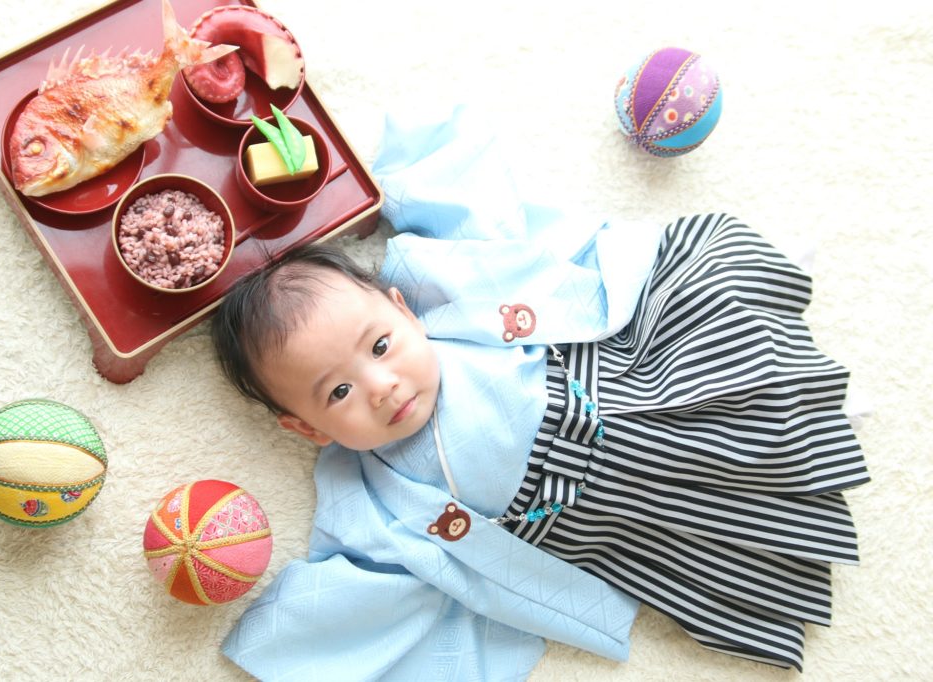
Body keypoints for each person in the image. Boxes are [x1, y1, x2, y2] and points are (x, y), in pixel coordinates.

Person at [212, 107, 869, 680]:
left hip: (614, 392)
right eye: (339, 391)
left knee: (718, 368)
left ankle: (799, 404)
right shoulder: (372, 495)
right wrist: (281, 630)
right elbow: (365, 582)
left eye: (381, 346)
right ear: (308, 428)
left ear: (403, 311)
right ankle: (783, 484)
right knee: (715, 534)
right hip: (598, 512)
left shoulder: (447, 308)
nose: (382, 387)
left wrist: (408, 175)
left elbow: (476, 226)